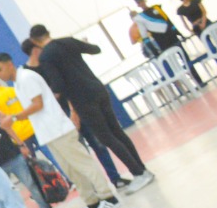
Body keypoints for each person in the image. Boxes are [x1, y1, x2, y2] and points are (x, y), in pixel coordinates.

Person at [0, 52, 119, 208]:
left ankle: (108, 196)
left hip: (59, 130)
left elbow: (38, 104)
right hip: (48, 133)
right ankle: (92, 202)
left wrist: (15, 117)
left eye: (0, 69)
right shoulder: (17, 84)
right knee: (72, 171)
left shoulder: (27, 78)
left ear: (9, 64)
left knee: (83, 164)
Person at [29, 25, 155, 190]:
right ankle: (143, 169)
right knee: (117, 132)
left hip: (82, 99)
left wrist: (51, 97)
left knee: (106, 137)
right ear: (48, 32)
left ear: (34, 41)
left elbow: (58, 84)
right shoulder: (68, 41)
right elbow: (95, 49)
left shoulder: (46, 56)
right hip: (97, 89)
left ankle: (138, 173)